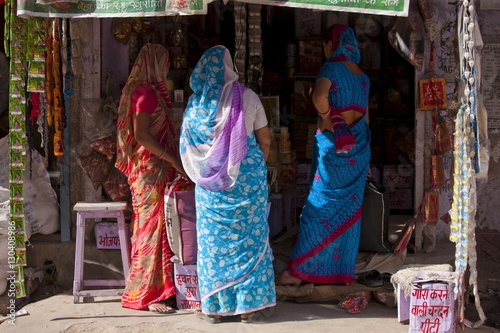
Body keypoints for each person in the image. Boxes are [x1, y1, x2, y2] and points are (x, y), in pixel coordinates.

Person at [179, 45, 276, 323]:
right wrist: (249, 169)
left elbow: (188, 149)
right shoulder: (248, 97)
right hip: (249, 179)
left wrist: (213, 169)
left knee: (214, 243)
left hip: (211, 187)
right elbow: (265, 140)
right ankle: (249, 307)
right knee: (250, 241)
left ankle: (214, 308)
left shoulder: (195, 105)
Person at [277, 24, 371, 286]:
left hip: (334, 150)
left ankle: (296, 273)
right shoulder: (363, 76)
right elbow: (366, 119)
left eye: (325, 45)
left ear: (332, 45)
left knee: (318, 209)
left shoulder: (330, 68)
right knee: (349, 210)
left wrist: (328, 116)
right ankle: (337, 271)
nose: (323, 49)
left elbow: (319, 97)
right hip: (359, 149)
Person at [115, 43, 185, 313]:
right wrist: (171, 157)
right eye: (164, 64)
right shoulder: (145, 93)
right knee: (150, 229)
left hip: (152, 170)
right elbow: (142, 135)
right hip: (150, 170)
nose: (166, 70)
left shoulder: (142, 90)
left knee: (154, 229)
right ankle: (145, 295)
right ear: (154, 64)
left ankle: (158, 290)